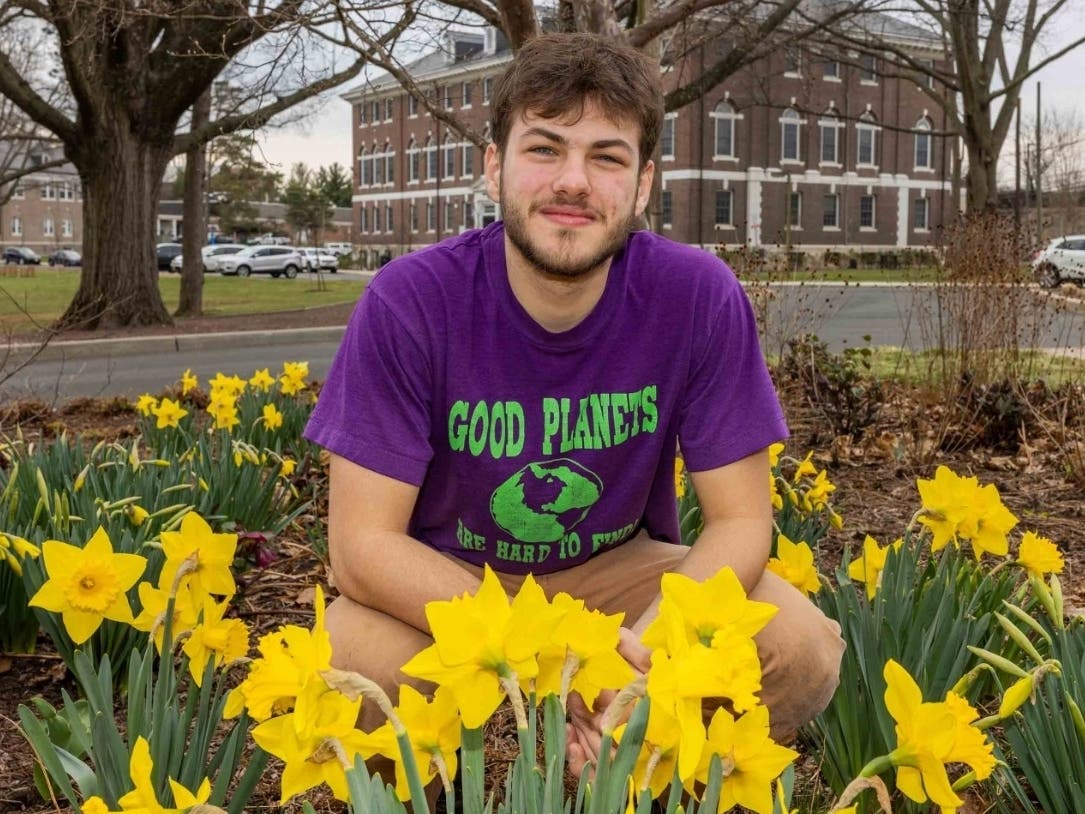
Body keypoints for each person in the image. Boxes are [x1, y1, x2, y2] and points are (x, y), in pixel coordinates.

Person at [304, 31, 844, 778]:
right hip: (454, 577)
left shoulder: (694, 296)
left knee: (798, 646)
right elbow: (361, 550)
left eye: (606, 157)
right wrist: (548, 650)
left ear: (643, 182)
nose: (573, 181)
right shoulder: (410, 301)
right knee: (353, 670)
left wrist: (644, 654)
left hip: (615, 569)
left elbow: (742, 519)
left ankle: (647, 773)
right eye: (544, 148)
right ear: (494, 165)